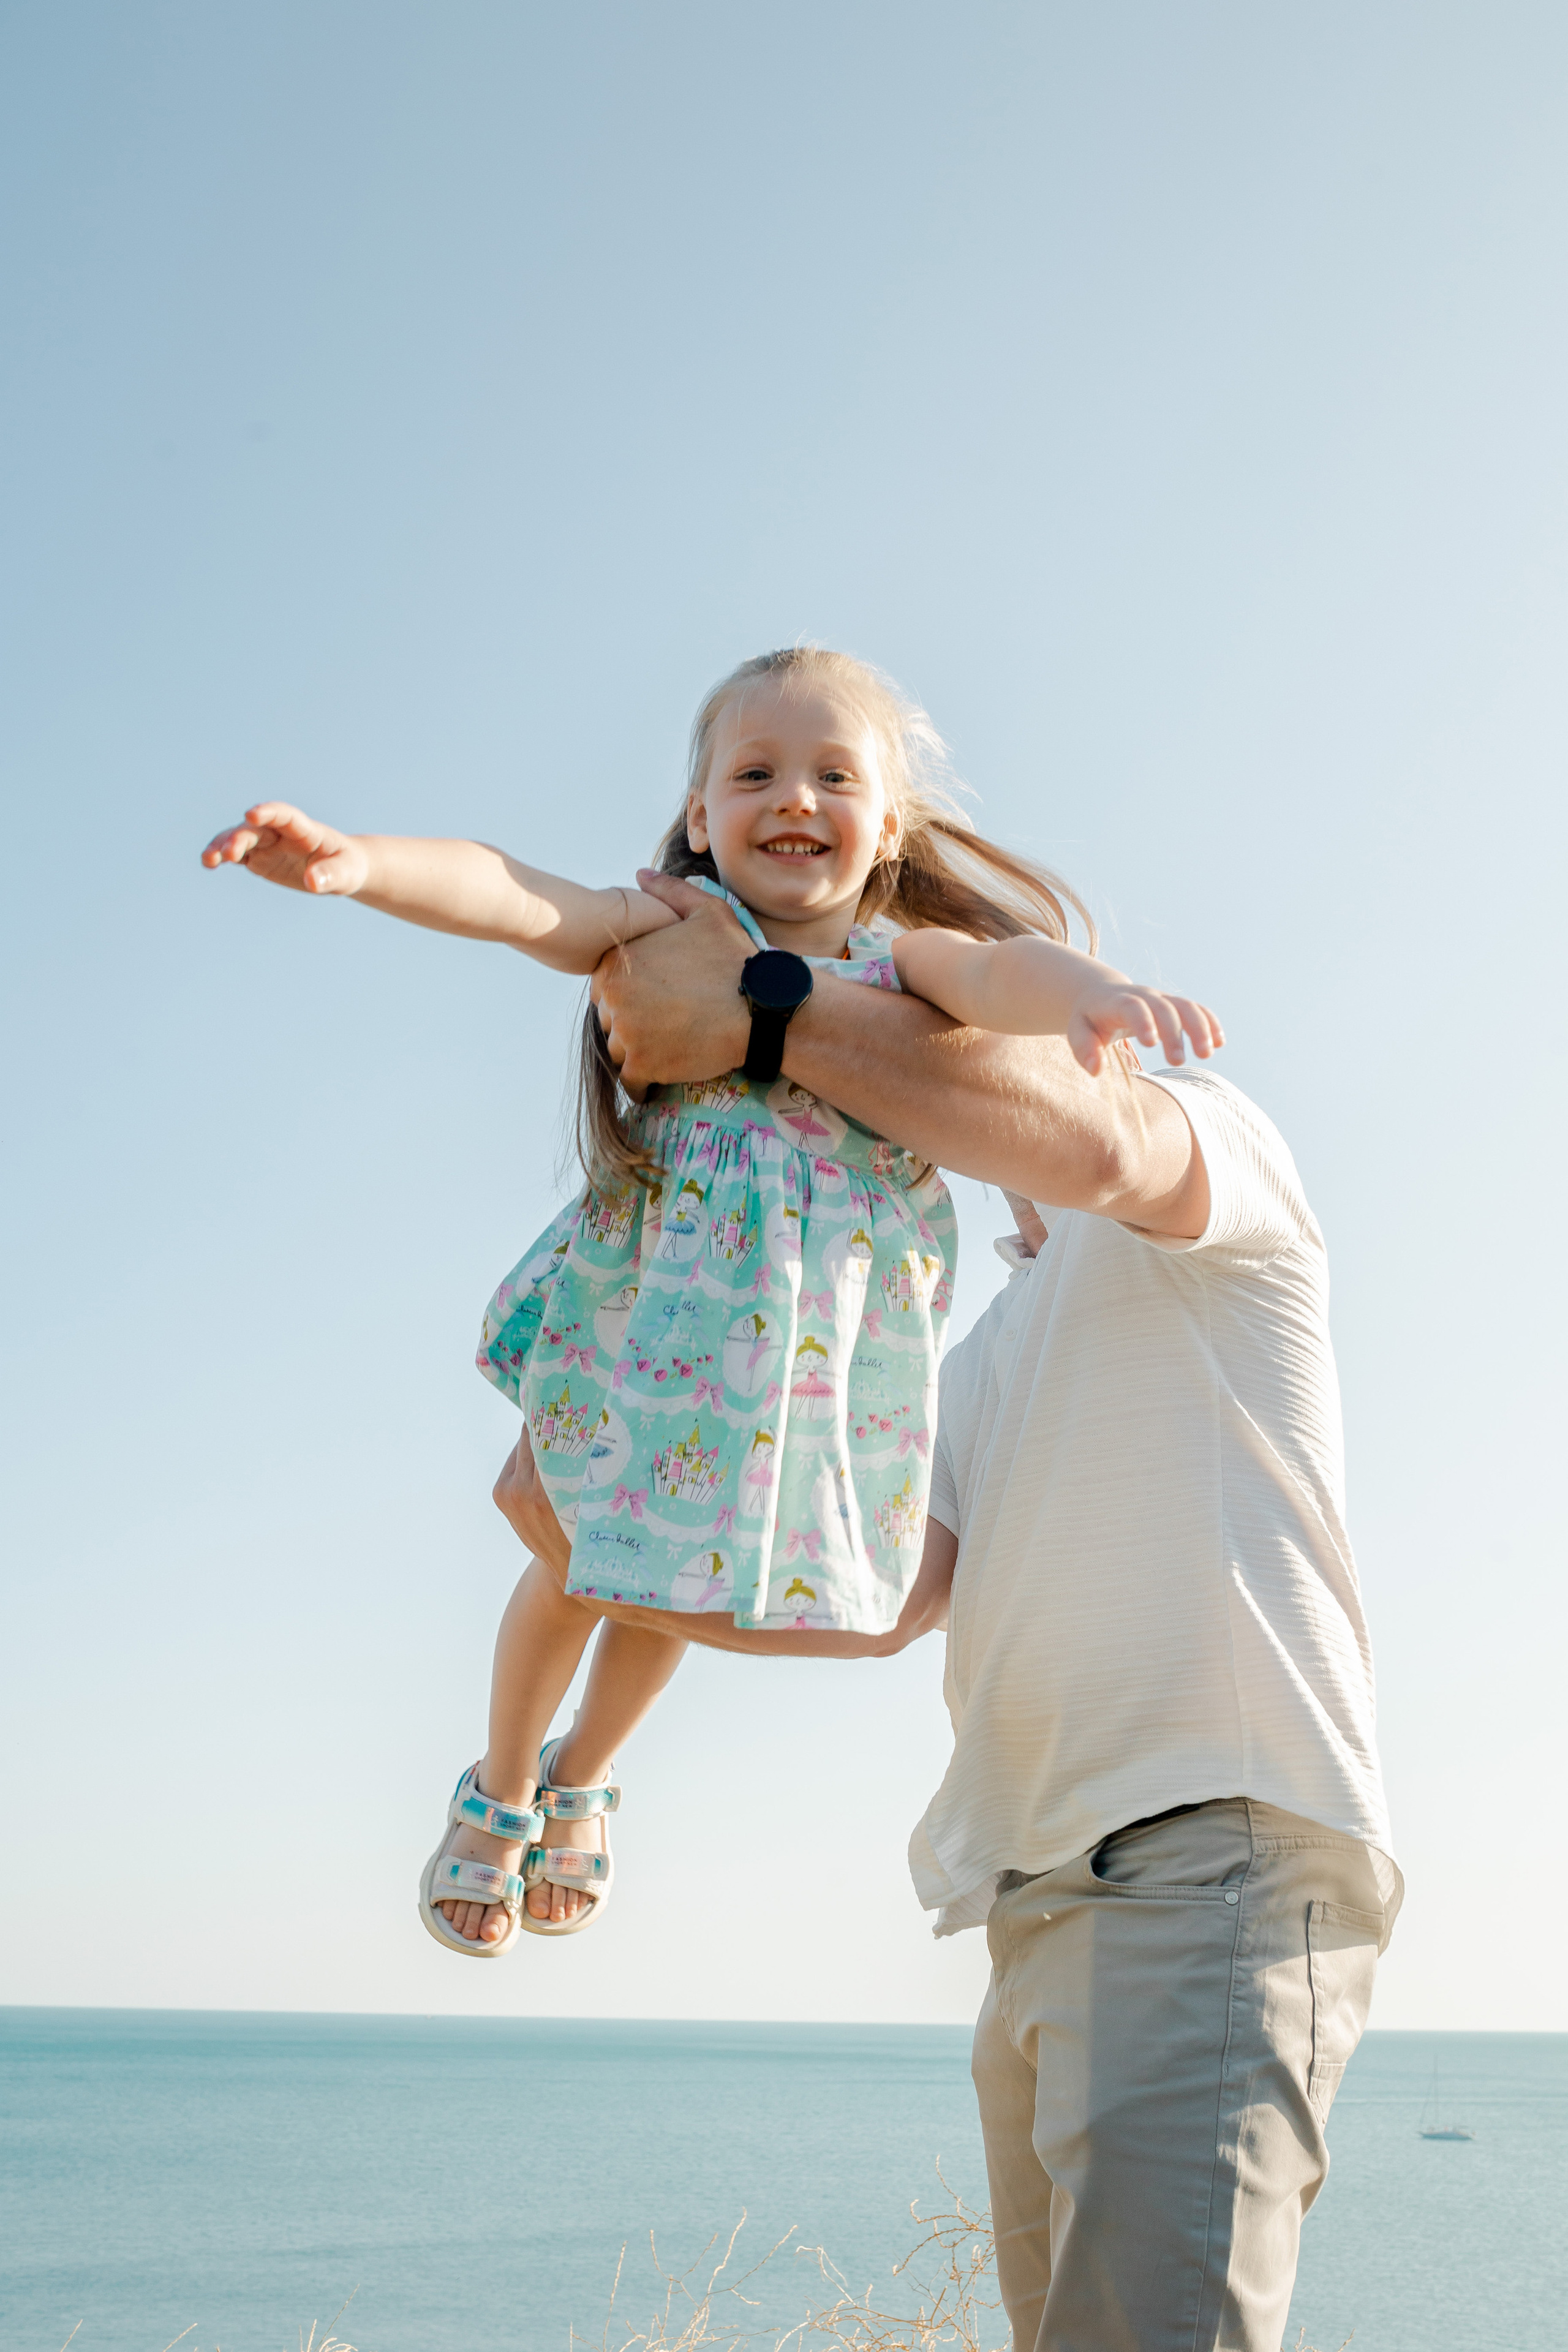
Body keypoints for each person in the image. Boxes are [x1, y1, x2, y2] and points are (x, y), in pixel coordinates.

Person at [200, 646, 1219, 1957]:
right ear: (699, 817)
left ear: (888, 828)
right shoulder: (675, 930)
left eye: (834, 776)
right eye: (754, 774)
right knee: (571, 1562)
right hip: (653, 1322)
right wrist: (364, 864)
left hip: (799, 1353)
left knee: (677, 1576)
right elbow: (517, 895)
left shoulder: (898, 965)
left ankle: (582, 1775)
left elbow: (1002, 973)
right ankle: (501, 1786)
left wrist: (1095, 999)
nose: (794, 796)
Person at [494, 881, 1398, 2352]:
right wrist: (606, 1548)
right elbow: (877, 1606)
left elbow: (1103, 1145)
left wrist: (768, 1011)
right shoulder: (972, 1355)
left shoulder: (1208, 1146)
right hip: (1035, 1904)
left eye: (913, 1023)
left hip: (1208, 1865)